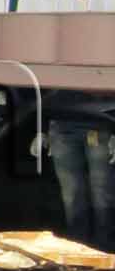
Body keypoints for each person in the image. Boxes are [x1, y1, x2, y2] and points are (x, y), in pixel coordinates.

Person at [46, 96, 115, 252]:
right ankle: (78, 245)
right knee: (72, 193)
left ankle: (103, 247)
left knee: (101, 190)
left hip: (101, 121)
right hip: (62, 120)